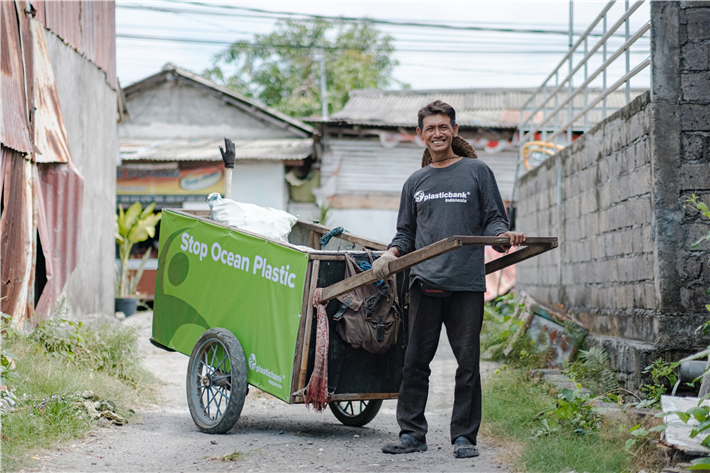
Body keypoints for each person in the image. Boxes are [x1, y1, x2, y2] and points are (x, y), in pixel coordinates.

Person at [373, 100, 526, 459]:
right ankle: (412, 434)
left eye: (444, 127)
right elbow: (406, 234)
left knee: (467, 363)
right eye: (431, 128)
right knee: (415, 362)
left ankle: (464, 438)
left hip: (466, 284)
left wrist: (503, 237)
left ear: (454, 131)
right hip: (424, 283)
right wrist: (389, 254)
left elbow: (493, 220)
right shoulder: (416, 182)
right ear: (420, 135)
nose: (438, 133)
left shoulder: (477, 171)